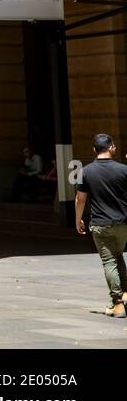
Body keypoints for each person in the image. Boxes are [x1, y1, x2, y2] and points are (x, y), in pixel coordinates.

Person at [75, 133, 127, 317]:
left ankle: (118, 303)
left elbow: (80, 199)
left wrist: (78, 220)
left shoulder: (86, 171)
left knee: (109, 261)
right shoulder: (123, 170)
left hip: (100, 223)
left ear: (94, 149)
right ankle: (125, 293)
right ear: (111, 147)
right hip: (122, 223)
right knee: (118, 255)